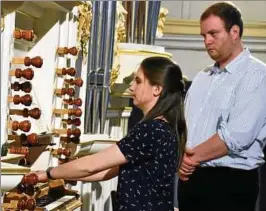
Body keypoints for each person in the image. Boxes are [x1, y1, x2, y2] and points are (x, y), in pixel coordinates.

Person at [32, 56, 187, 211]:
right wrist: (62, 173)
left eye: (138, 81)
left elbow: (91, 166)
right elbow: (105, 171)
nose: (131, 87)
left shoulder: (151, 130)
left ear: (157, 89)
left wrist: (49, 173)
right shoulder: (164, 127)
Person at [178, 2, 266, 211]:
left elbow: (238, 135)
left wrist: (189, 159)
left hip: (229, 183)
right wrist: (180, 157)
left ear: (234, 32)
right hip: (191, 178)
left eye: (213, 34)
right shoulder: (202, 76)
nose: (207, 41)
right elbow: (184, 124)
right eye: (203, 36)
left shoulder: (257, 74)